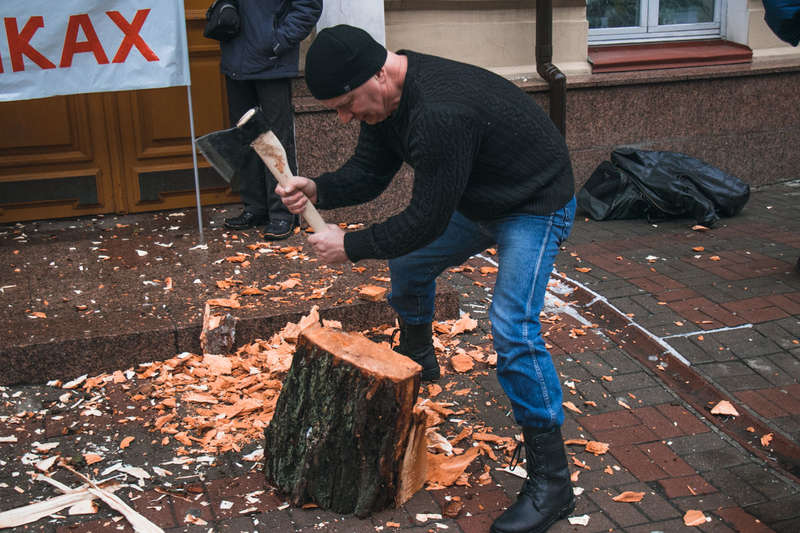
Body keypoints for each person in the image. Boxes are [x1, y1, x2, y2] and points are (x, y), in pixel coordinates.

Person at [277, 24, 576, 533]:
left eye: (348, 104)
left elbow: (426, 220)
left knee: (512, 327)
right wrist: (319, 188)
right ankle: (419, 357)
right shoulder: (387, 98)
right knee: (411, 266)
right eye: (338, 111)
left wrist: (350, 246)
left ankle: (552, 484)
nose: (348, 117)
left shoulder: (439, 110)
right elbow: (370, 176)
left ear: (378, 71)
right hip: (480, 197)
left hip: (534, 202)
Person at [219, 0, 322, 239]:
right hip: (236, 58)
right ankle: (255, 208)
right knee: (245, 137)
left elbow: (308, 6)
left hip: (272, 61)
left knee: (276, 139)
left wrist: (278, 41)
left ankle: (284, 213)